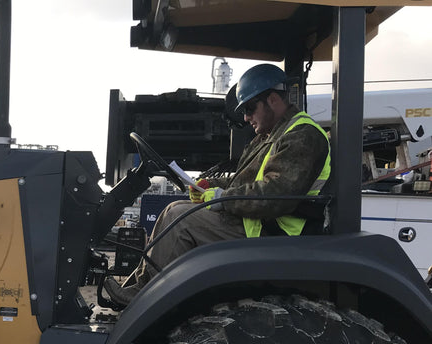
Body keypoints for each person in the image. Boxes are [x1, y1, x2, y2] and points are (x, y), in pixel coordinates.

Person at [104, 64, 331, 308]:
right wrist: (208, 185)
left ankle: (145, 300)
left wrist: (222, 199)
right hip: (256, 223)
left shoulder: (302, 136)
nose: (245, 117)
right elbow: (243, 182)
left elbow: (273, 195)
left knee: (180, 220)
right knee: (174, 209)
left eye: (249, 108)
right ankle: (138, 287)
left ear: (273, 99)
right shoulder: (269, 136)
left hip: (274, 233)